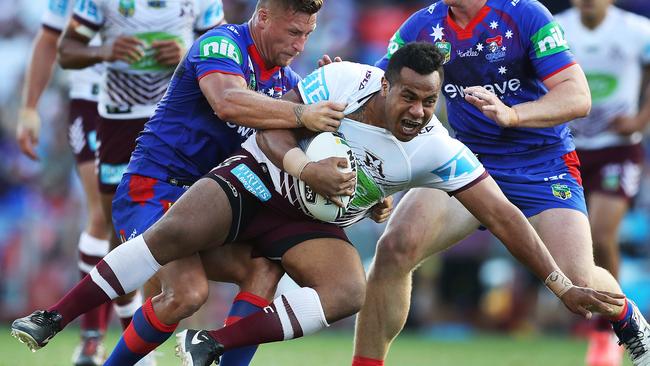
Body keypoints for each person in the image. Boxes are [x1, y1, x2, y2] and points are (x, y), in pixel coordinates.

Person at [11, 42, 624, 366]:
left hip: (308, 225)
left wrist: (557, 282)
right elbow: (275, 129)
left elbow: (503, 214)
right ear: (386, 84)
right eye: (409, 97)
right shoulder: (340, 82)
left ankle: (214, 345)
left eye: (429, 102)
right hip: (256, 182)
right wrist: (305, 163)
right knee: (173, 241)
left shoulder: (439, 150)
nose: (418, 112)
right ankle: (53, 318)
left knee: (349, 291)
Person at [13, 0, 346, 365]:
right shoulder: (221, 44)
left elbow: (314, 136)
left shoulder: (288, 83)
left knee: (263, 269)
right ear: (263, 17)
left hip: (209, 206)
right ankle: (76, 331)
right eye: (294, 32)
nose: (300, 46)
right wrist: (303, 112)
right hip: (153, 189)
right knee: (187, 293)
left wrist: (336, 98)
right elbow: (228, 102)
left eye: (308, 35)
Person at [351, 2, 650, 366]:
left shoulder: (524, 14)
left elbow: (577, 96)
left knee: (578, 277)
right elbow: (376, 88)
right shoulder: (423, 25)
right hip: (468, 163)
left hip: (541, 163)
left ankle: (627, 318)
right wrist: (345, 85)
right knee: (395, 248)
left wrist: (513, 115)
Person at [16, 0, 114, 364]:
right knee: (104, 217)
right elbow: (48, 38)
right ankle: (92, 338)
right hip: (93, 102)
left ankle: (135, 336)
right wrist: (29, 108)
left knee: (137, 230)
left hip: (157, 105)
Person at [556, 2, 650, 365]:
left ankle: (607, 332)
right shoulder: (554, 30)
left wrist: (641, 118)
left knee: (600, 235)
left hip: (617, 149)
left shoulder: (636, 29)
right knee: (571, 245)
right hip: (567, 148)